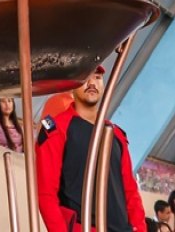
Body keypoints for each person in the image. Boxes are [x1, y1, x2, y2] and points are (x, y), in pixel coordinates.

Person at [35, 65, 146, 232]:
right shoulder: (58, 129)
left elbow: (131, 192)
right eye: (86, 77)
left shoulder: (116, 135)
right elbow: (46, 195)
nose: (92, 83)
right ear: (74, 83)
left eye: (97, 78)